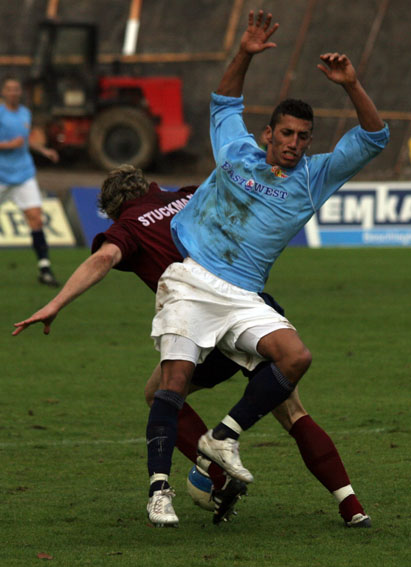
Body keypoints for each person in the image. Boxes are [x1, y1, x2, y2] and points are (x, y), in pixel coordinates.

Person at [13, 165, 371, 528]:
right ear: (148, 185)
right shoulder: (187, 195)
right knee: (292, 412)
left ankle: (210, 473)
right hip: (245, 306)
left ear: (113, 209)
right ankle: (351, 505)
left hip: (200, 325)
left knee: (161, 393)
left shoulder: (128, 225)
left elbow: (104, 258)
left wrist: (54, 304)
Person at [147, 9, 389, 527]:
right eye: (287, 133)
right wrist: (244, 53)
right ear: (268, 134)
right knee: (167, 386)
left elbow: (374, 137)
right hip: (193, 281)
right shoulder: (235, 150)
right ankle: (160, 489)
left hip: (244, 297)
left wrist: (352, 84)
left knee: (296, 360)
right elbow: (224, 102)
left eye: (303, 136)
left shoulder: (316, 176)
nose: (295, 143)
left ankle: (225, 437)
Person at [0, 75, 60, 286]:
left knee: (36, 218)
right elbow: (14, 143)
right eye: (10, 89)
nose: (13, 92)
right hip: (2, 175)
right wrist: (8, 145)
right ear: (3, 92)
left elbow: (24, 142)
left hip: (24, 174)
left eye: (16, 89)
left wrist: (44, 150)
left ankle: (44, 269)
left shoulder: (25, 113)